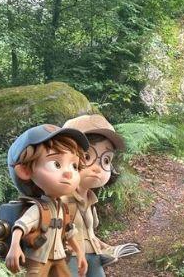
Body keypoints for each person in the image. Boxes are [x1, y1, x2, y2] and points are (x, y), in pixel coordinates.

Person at [5, 124, 90, 277]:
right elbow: (20, 226)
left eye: (74, 166)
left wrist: (80, 253)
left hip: (59, 256)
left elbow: (69, 232)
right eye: (56, 164)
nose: (68, 173)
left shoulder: (62, 208)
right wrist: (14, 247)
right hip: (39, 258)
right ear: (25, 171)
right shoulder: (38, 208)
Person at [62, 114, 128, 277]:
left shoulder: (90, 200)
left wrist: (107, 248)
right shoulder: (62, 199)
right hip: (69, 258)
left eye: (105, 160)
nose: (98, 168)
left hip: (92, 256)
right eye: (87, 156)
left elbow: (88, 234)